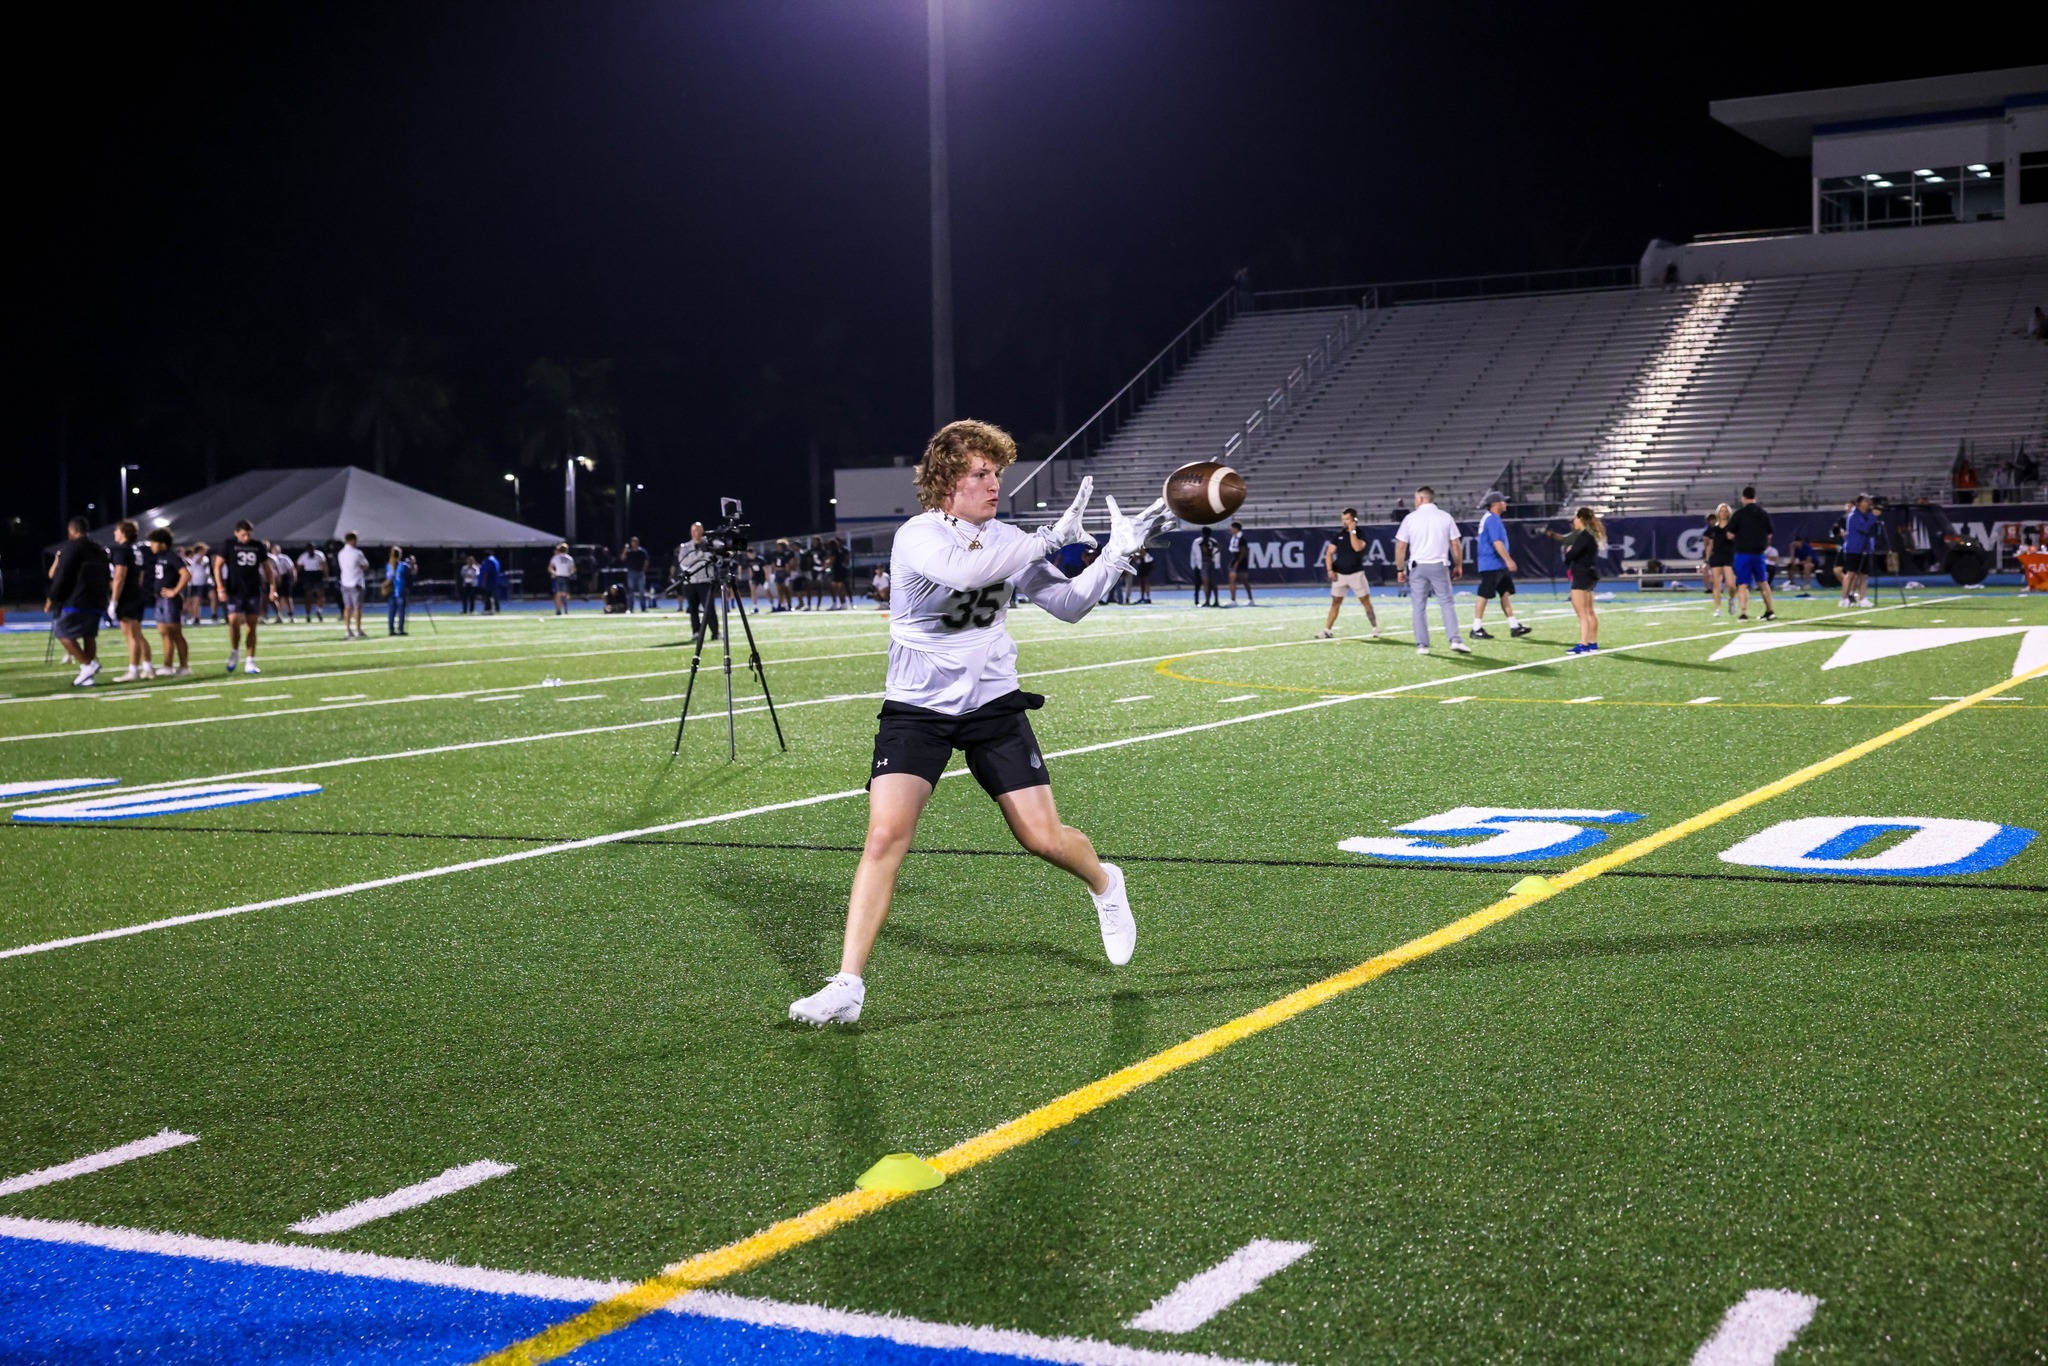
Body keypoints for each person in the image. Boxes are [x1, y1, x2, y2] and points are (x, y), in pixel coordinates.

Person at [787, 420, 1169, 1026]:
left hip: (992, 704)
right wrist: (1048, 540)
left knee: (1042, 838)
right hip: (917, 708)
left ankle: (1104, 883)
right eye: (981, 474)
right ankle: (848, 985)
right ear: (946, 481)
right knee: (885, 836)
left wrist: (1116, 556)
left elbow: (1068, 605)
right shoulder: (919, 535)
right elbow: (966, 573)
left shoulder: (1009, 539)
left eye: (997, 473)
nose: (995, 485)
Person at [1394, 486, 1468, 656]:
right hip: (1439, 565)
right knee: (1446, 603)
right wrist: (1458, 565)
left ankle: (1422, 644)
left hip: (1418, 566)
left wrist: (1400, 569)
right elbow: (1455, 544)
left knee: (1419, 606)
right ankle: (1455, 640)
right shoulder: (1445, 517)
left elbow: (1401, 546)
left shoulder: (1410, 518)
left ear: (1421, 499)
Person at [45, 517, 111, 686]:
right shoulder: (100, 549)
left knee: (62, 631)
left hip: (77, 599)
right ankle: (88, 677)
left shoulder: (72, 547)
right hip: (97, 599)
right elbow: (107, 576)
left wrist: (52, 597)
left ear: (73, 530)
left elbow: (63, 575)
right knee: (89, 635)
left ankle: (87, 665)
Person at [212, 520, 275, 673]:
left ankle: (250, 661)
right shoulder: (229, 544)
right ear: (236, 533)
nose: (246, 538)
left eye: (248, 534)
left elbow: (268, 570)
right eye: (243, 535)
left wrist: (272, 589)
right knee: (234, 622)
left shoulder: (257, 546)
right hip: (234, 591)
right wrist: (220, 588)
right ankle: (235, 651)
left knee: (251, 627)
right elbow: (217, 566)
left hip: (253, 590)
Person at [1469, 490, 1530, 639]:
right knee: (1484, 593)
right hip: (1492, 563)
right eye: (1503, 501)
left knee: (1505, 592)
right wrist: (1508, 560)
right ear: (1496, 504)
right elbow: (1497, 542)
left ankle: (1514, 626)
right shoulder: (1492, 519)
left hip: (1497, 563)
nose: (1505, 504)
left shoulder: (1491, 518)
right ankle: (1476, 628)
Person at [1316, 508, 1379, 639]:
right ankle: (1327, 630)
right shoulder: (1338, 535)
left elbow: (1357, 547)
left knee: (1365, 602)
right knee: (1335, 602)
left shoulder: (1361, 533)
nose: (1344, 522)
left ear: (1354, 519)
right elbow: (1329, 553)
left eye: (1347, 519)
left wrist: (1352, 531)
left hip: (1356, 574)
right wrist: (1330, 570)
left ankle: (1375, 627)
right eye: (1343, 519)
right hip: (1340, 574)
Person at [109, 520, 155, 681]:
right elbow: (140, 576)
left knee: (131, 635)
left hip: (127, 595)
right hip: (136, 593)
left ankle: (133, 670)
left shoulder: (122, 550)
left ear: (123, 533)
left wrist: (114, 601)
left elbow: (119, 576)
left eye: (116, 530)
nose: (114, 533)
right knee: (137, 634)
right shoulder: (137, 550)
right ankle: (148, 668)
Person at [1557, 507, 1604, 653]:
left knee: (1582, 612)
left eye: (1576, 518)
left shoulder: (1584, 536)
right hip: (1589, 574)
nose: (1574, 521)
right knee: (1589, 611)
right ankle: (1592, 643)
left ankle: (1583, 644)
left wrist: (1569, 551)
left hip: (1581, 574)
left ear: (1581, 519)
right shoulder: (1591, 536)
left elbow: (1570, 556)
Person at [1727, 485, 1777, 622]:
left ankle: (1743, 613)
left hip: (1743, 553)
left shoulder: (1739, 514)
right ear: (1755, 497)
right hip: (1758, 553)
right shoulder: (1763, 513)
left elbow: (1730, 535)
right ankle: (1770, 611)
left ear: (1743, 498)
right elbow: (1770, 534)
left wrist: (1740, 537)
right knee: (1763, 582)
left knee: (1743, 584)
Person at [147, 527, 191, 676]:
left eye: (153, 542)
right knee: (164, 632)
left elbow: (186, 574)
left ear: (162, 543)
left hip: (170, 600)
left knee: (176, 633)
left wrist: (175, 591)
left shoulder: (172, 556)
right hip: (160, 599)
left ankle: (184, 666)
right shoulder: (159, 556)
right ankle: (168, 666)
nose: (151, 545)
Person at [676, 522, 718, 640]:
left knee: (709, 609)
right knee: (693, 609)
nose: (696, 533)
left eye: (699, 530)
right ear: (691, 532)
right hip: (690, 582)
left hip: (705, 581)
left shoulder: (710, 545)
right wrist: (700, 555)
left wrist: (694, 559)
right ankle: (696, 632)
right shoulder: (685, 547)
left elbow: (711, 559)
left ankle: (715, 632)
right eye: (694, 530)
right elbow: (683, 563)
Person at [1840, 493, 1882, 608]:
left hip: (1865, 548)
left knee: (1864, 575)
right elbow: (1863, 528)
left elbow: (1874, 530)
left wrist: (1875, 516)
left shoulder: (1866, 515)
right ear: (1859, 503)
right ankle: (1844, 598)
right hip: (1853, 548)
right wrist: (1873, 516)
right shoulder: (1854, 516)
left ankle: (1863, 599)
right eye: (1865, 501)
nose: (1868, 503)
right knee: (1851, 573)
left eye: (1869, 501)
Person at [1702, 505, 1735, 615]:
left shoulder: (1732, 527)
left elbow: (1739, 540)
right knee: (1716, 583)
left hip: (1729, 556)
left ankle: (1731, 599)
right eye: (1721, 511)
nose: (1723, 513)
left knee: (1731, 584)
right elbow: (1710, 545)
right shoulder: (1713, 529)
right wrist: (1707, 560)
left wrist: (1733, 537)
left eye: (1725, 511)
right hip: (1716, 556)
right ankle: (1717, 608)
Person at [337, 532, 370, 639]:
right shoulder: (357, 553)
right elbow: (365, 565)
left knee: (347, 607)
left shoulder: (341, 553)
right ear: (352, 540)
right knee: (357, 607)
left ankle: (348, 630)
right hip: (356, 582)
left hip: (344, 582)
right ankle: (358, 629)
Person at [297, 544, 329, 622]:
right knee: (308, 597)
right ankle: (308, 614)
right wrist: (299, 576)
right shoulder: (303, 556)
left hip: (317, 575)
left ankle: (319, 611)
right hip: (308, 575)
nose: (311, 550)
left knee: (320, 595)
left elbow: (324, 565)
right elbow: (298, 566)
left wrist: (326, 576)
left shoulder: (319, 555)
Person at [1226, 521, 1254, 605]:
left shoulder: (1241, 539)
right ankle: (1233, 600)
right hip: (1235, 559)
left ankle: (1249, 599)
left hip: (1240, 561)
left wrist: (1237, 562)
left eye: (1232, 528)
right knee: (1233, 580)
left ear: (1236, 529)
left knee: (1243, 580)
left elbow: (1243, 552)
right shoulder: (1234, 538)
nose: (1230, 529)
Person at [268, 542, 296, 624]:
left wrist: (294, 577)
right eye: (274, 550)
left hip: (284, 578)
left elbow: (291, 568)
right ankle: (279, 615)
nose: (276, 551)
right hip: (275, 579)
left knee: (287, 597)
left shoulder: (284, 558)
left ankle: (291, 615)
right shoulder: (270, 558)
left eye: (277, 550)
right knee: (276, 598)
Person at [385, 546, 411, 635]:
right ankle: (400, 629)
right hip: (400, 590)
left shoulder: (388, 566)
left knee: (391, 612)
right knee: (401, 611)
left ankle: (391, 629)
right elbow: (409, 577)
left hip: (391, 591)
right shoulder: (403, 566)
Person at [1191, 527, 1220, 606]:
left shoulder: (1198, 541)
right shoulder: (1213, 541)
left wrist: (1194, 565)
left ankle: (1207, 601)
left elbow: (1194, 554)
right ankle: (1216, 601)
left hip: (1203, 563)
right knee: (1213, 583)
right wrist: (1216, 561)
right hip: (1211, 562)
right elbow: (1218, 550)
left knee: (1206, 583)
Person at [184, 543, 210, 625]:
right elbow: (196, 562)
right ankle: (194, 617)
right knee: (192, 602)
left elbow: (202, 563)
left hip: (201, 583)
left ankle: (196, 617)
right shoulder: (195, 557)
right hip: (193, 583)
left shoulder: (205, 558)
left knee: (197, 601)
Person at [621, 537, 649, 611]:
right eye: (633, 542)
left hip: (640, 572)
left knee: (641, 591)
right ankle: (630, 608)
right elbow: (622, 558)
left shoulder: (642, 552)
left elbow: (646, 562)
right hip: (631, 572)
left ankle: (643, 607)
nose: (634, 543)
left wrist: (643, 571)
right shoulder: (629, 552)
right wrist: (624, 551)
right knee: (631, 591)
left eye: (635, 542)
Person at [548, 543, 576, 613]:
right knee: (565, 593)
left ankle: (558, 609)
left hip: (558, 577)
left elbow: (550, 568)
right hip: (566, 577)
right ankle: (565, 607)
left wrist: (554, 573)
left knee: (558, 594)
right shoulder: (569, 558)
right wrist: (569, 573)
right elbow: (573, 569)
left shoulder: (555, 557)